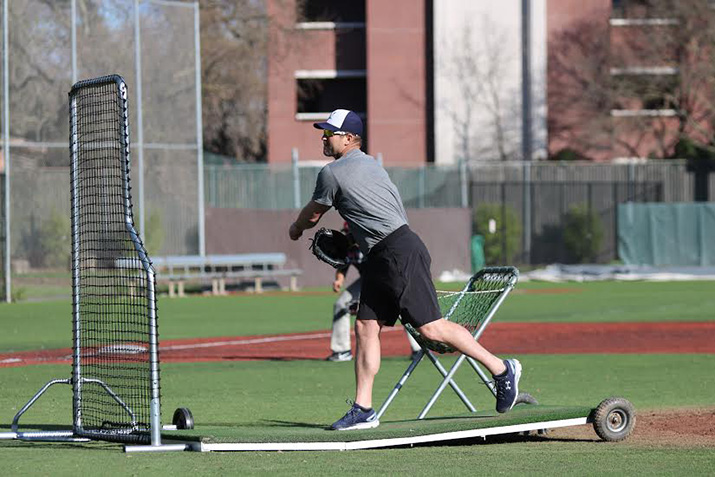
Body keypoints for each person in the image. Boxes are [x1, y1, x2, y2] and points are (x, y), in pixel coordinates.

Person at [288, 109, 523, 431]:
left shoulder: (332, 173)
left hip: (397, 253)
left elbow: (313, 215)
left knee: (432, 328)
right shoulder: (371, 164)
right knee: (366, 327)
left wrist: (296, 229)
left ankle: (501, 369)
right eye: (324, 131)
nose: (323, 137)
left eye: (329, 132)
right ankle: (363, 409)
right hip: (384, 254)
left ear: (349, 138)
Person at [326, 224, 422, 362]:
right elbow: (343, 266)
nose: (348, 236)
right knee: (341, 304)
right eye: (347, 233)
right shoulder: (348, 248)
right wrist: (339, 281)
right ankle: (342, 351)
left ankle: (418, 348)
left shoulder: (373, 242)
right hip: (367, 279)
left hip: (391, 277)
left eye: (350, 233)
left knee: (402, 306)